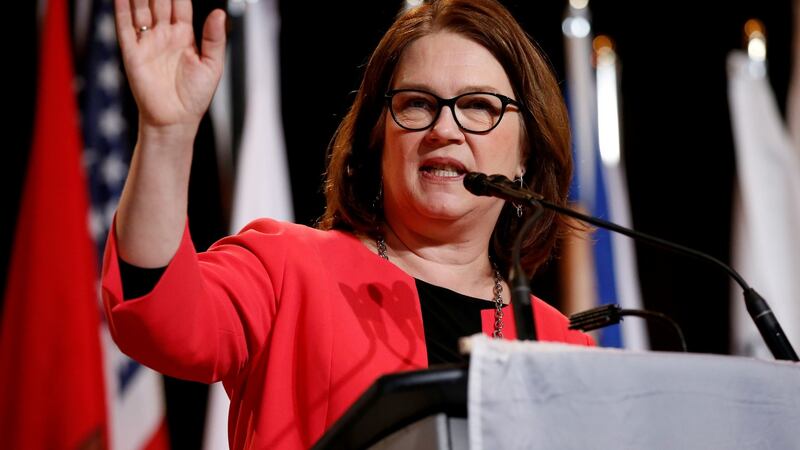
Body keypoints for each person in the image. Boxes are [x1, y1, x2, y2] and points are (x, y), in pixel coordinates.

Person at [104, 0, 593, 448]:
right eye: (417, 103)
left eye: (478, 107)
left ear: (527, 150)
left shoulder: (563, 345)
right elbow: (158, 319)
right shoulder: (287, 270)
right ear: (378, 138)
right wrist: (165, 136)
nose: (444, 130)